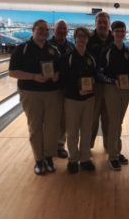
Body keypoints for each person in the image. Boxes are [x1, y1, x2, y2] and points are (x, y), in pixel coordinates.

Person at [9, 19, 61, 175]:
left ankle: (49, 157)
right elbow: (12, 72)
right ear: (33, 29)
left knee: (52, 128)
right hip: (30, 93)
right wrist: (33, 76)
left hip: (52, 93)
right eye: (41, 29)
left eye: (47, 30)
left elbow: (58, 70)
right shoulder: (21, 49)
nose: (44, 32)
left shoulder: (53, 49)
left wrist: (55, 76)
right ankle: (39, 159)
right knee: (35, 127)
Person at [97, 21, 129, 171]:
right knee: (114, 122)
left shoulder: (128, 51)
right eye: (117, 31)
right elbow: (99, 72)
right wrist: (113, 81)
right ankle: (112, 156)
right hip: (111, 89)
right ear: (113, 33)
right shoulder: (106, 51)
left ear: (125, 33)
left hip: (125, 90)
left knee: (119, 122)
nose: (120, 33)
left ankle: (117, 151)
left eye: (122, 31)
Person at [61, 27, 96, 173]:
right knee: (72, 131)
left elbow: (94, 77)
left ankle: (85, 159)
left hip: (88, 99)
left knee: (87, 130)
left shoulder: (91, 58)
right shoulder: (67, 57)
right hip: (72, 100)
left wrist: (90, 86)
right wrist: (77, 90)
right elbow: (64, 79)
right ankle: (73, 159)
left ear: (87, 39)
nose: (82, 39)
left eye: (84, 37)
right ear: (75, 38)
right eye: (79, 36)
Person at [87, 11, 114, 150]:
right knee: (91, 119)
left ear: (109, 24)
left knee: (108, 119)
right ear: (95, 23)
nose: (102, 25)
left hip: (110, 86)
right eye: (100, 22)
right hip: (93, 86)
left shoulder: (114, 39)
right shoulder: (88, 39)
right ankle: (87, 148)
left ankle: (109, 147)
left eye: (105, 22)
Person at [49, 19, 75, 159]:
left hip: (67, 89)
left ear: (68, 31)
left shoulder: (71, 46)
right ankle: (48, 146)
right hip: (50, 89)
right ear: (54, 29)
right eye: (60, 28)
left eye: (65, 29)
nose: (62, 31)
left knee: (63, 119)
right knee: (50, 118)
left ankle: (60, 145)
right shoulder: (47, 45)